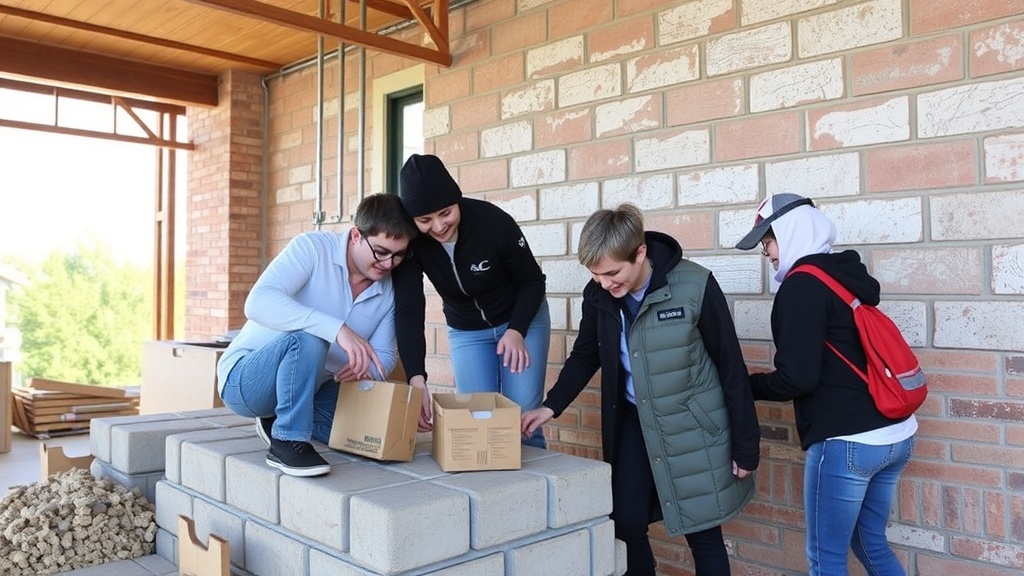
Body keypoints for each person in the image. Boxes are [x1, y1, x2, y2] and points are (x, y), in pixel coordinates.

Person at [521, 204, 760, 576]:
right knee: (627, 522)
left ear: (640, 253)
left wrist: (746, 445)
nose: (605, 283)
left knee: (702, 531)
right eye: (596, 275)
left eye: (613, 273)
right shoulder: (599, 295)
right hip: (633, 422)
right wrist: (550, 407)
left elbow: (731, 366)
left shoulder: (695, 285)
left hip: (691, 426)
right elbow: (586, 355)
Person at [735, 193, 917, 576]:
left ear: (790, 231)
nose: (766, 253)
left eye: (767, 241)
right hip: (896, 434)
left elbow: (797, 379)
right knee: (871, 543)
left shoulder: (802, 287)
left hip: (848, 443)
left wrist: (743, 386)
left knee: (826, 559)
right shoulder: (844, 277)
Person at [216, 193, 423, 478]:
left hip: (316, 388)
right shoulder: (312, 248)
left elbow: (385, 355)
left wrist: (367, 371)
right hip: (246, 381)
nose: (388, 264)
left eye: (398, 255)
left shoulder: (386, 291)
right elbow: (257, 302)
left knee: (383, 434)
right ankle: (288, 439)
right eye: (381, 251)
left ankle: (281, 417)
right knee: (310, 338)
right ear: (355, 236)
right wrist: (337, 330)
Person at [393, 153, 550, 449]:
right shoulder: (412, 243)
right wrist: (416, 376)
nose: (439, 226)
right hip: (467, 331)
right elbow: (409, 309)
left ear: (457, 199)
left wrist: (516, 330)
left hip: (521, 319)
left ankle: (537, 494)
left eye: (446, 213)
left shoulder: (493, 222)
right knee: (480, 423)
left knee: (522, 423)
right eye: (425, 220)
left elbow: (532, 282)